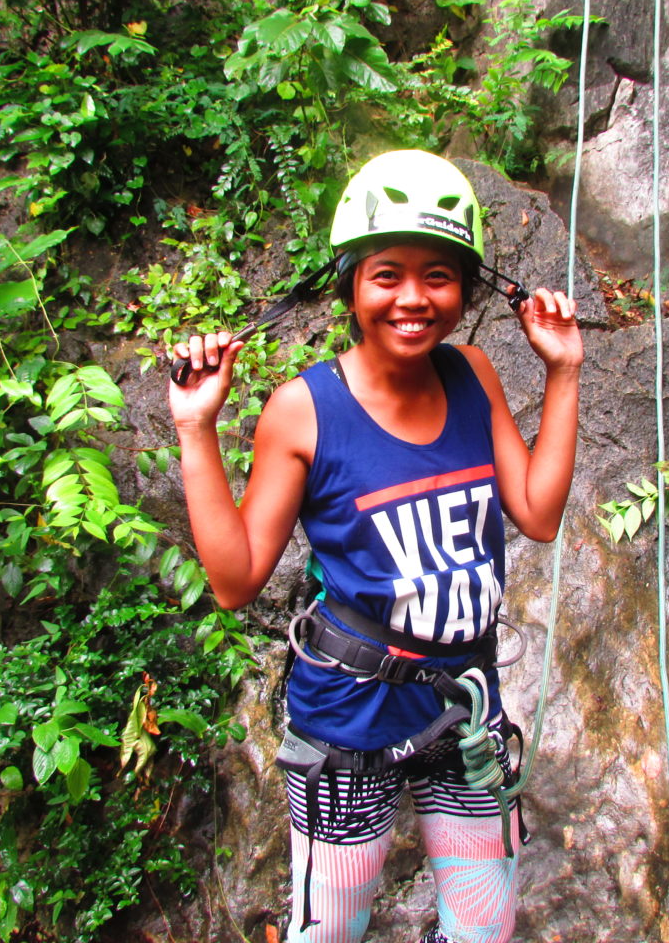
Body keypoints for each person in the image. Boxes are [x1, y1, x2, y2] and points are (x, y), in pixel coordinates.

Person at [168, 150, 583, 943]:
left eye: (437, 275)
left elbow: (535, 511)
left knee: (484, 931)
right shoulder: (305, 410)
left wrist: (562, 372)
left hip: (461, 704)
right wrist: (196, 429)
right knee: (328, 934)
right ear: (351, 287)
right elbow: (234, 580)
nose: (413, 298)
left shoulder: (473, 375)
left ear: (464, 287)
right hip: (349, 718)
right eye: (386, 273)